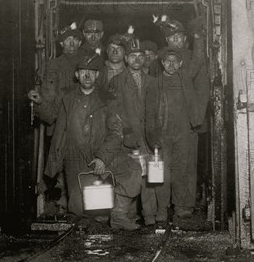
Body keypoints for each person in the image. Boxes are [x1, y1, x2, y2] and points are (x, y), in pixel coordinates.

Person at [35, 54, 141, 230]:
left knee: (133, 170)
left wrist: (102, 157)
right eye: (83, 72)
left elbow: (116, 132)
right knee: (79, 211)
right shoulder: (66, 97)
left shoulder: (108, 99)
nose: (87, 76)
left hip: (100, 153)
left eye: (91, 73)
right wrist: (39, 103)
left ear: (98, 75)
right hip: (74, 157)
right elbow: (50, 116)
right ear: (76, 74)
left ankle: (119, 215)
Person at [145, 23, 206, 225]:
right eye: (167, 61)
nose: (171, 65)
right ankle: (162, 209)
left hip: (183, 132)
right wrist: (152, 136)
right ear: (161, 63)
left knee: (181, 171)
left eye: (175, 61)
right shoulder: (154, 84)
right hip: (162, 134)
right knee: (162, 173)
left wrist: (197, 37)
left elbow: (197, 60)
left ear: (180, 64)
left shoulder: (185, 77)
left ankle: (180, 207)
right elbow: (150, 113)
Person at [29, 22, 83, 213]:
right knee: (60, 164)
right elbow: (49, 95)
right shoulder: (53, 66)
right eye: (68, 40)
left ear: (79, 43)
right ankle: (64, 202)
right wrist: (43, 106)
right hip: (60, 121)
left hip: (83, 123)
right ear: (61, 43)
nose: (71, 43)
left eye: (75, 40)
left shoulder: (87, 62)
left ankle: (78, 204)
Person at [108, 36, 156, 226]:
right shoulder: (116, 81)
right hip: (128, 138)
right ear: (126, 58)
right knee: (131, 177)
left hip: (149, 137)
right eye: (133, 56)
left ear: (145, 59)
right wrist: (126, 134)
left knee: (151, 176)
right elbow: (112, 112)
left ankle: (149, 216)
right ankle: (119, 216)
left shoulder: (152, 81)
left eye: (140, 56)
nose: (137, 59)